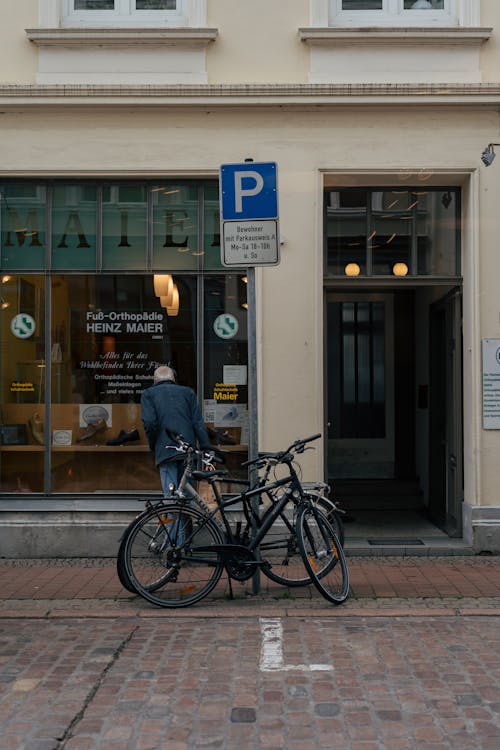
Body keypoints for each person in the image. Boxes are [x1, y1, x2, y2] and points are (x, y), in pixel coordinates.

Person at [141, 364, 212, 495]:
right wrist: (206, 448)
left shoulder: (148, 394)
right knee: (186, 495)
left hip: (166, 450)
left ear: (155, 380)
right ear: (173, 379)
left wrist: (153, 444)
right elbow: (198, 423)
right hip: (188, 450)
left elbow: (150, 423)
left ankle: (173, 515)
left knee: (171, 496)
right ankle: (186, 515)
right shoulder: (188, 392)